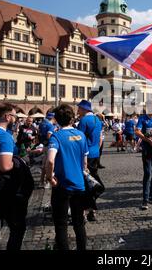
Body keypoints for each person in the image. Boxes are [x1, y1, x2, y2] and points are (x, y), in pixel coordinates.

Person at [45, 104, 88, 250]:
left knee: (61, 224)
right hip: (79, 185)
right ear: (71, 118)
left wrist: (50, 177)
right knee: (79, 223)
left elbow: (50, 159)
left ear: (56, 119)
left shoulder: (56, 136)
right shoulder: (81, 135)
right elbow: (85, 162)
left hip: (62, 186)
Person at [0, 103, 29, 250]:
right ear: (7, 117)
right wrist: (20, 162)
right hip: (6, 188)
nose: (16, 119)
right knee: (17, 227)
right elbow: (5, 166)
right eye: (14, 116)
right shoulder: (4, 137)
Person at [77, 100, 104, 222]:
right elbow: (99, 139)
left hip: (86, 154)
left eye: (79, 108)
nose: (78, 110)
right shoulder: (97, 120)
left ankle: (84, 212)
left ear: (84, 109)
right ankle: (91, 212)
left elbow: (80, 139)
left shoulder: (84, 120)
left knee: (86, 184)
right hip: (95, 153)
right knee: (92, 181)